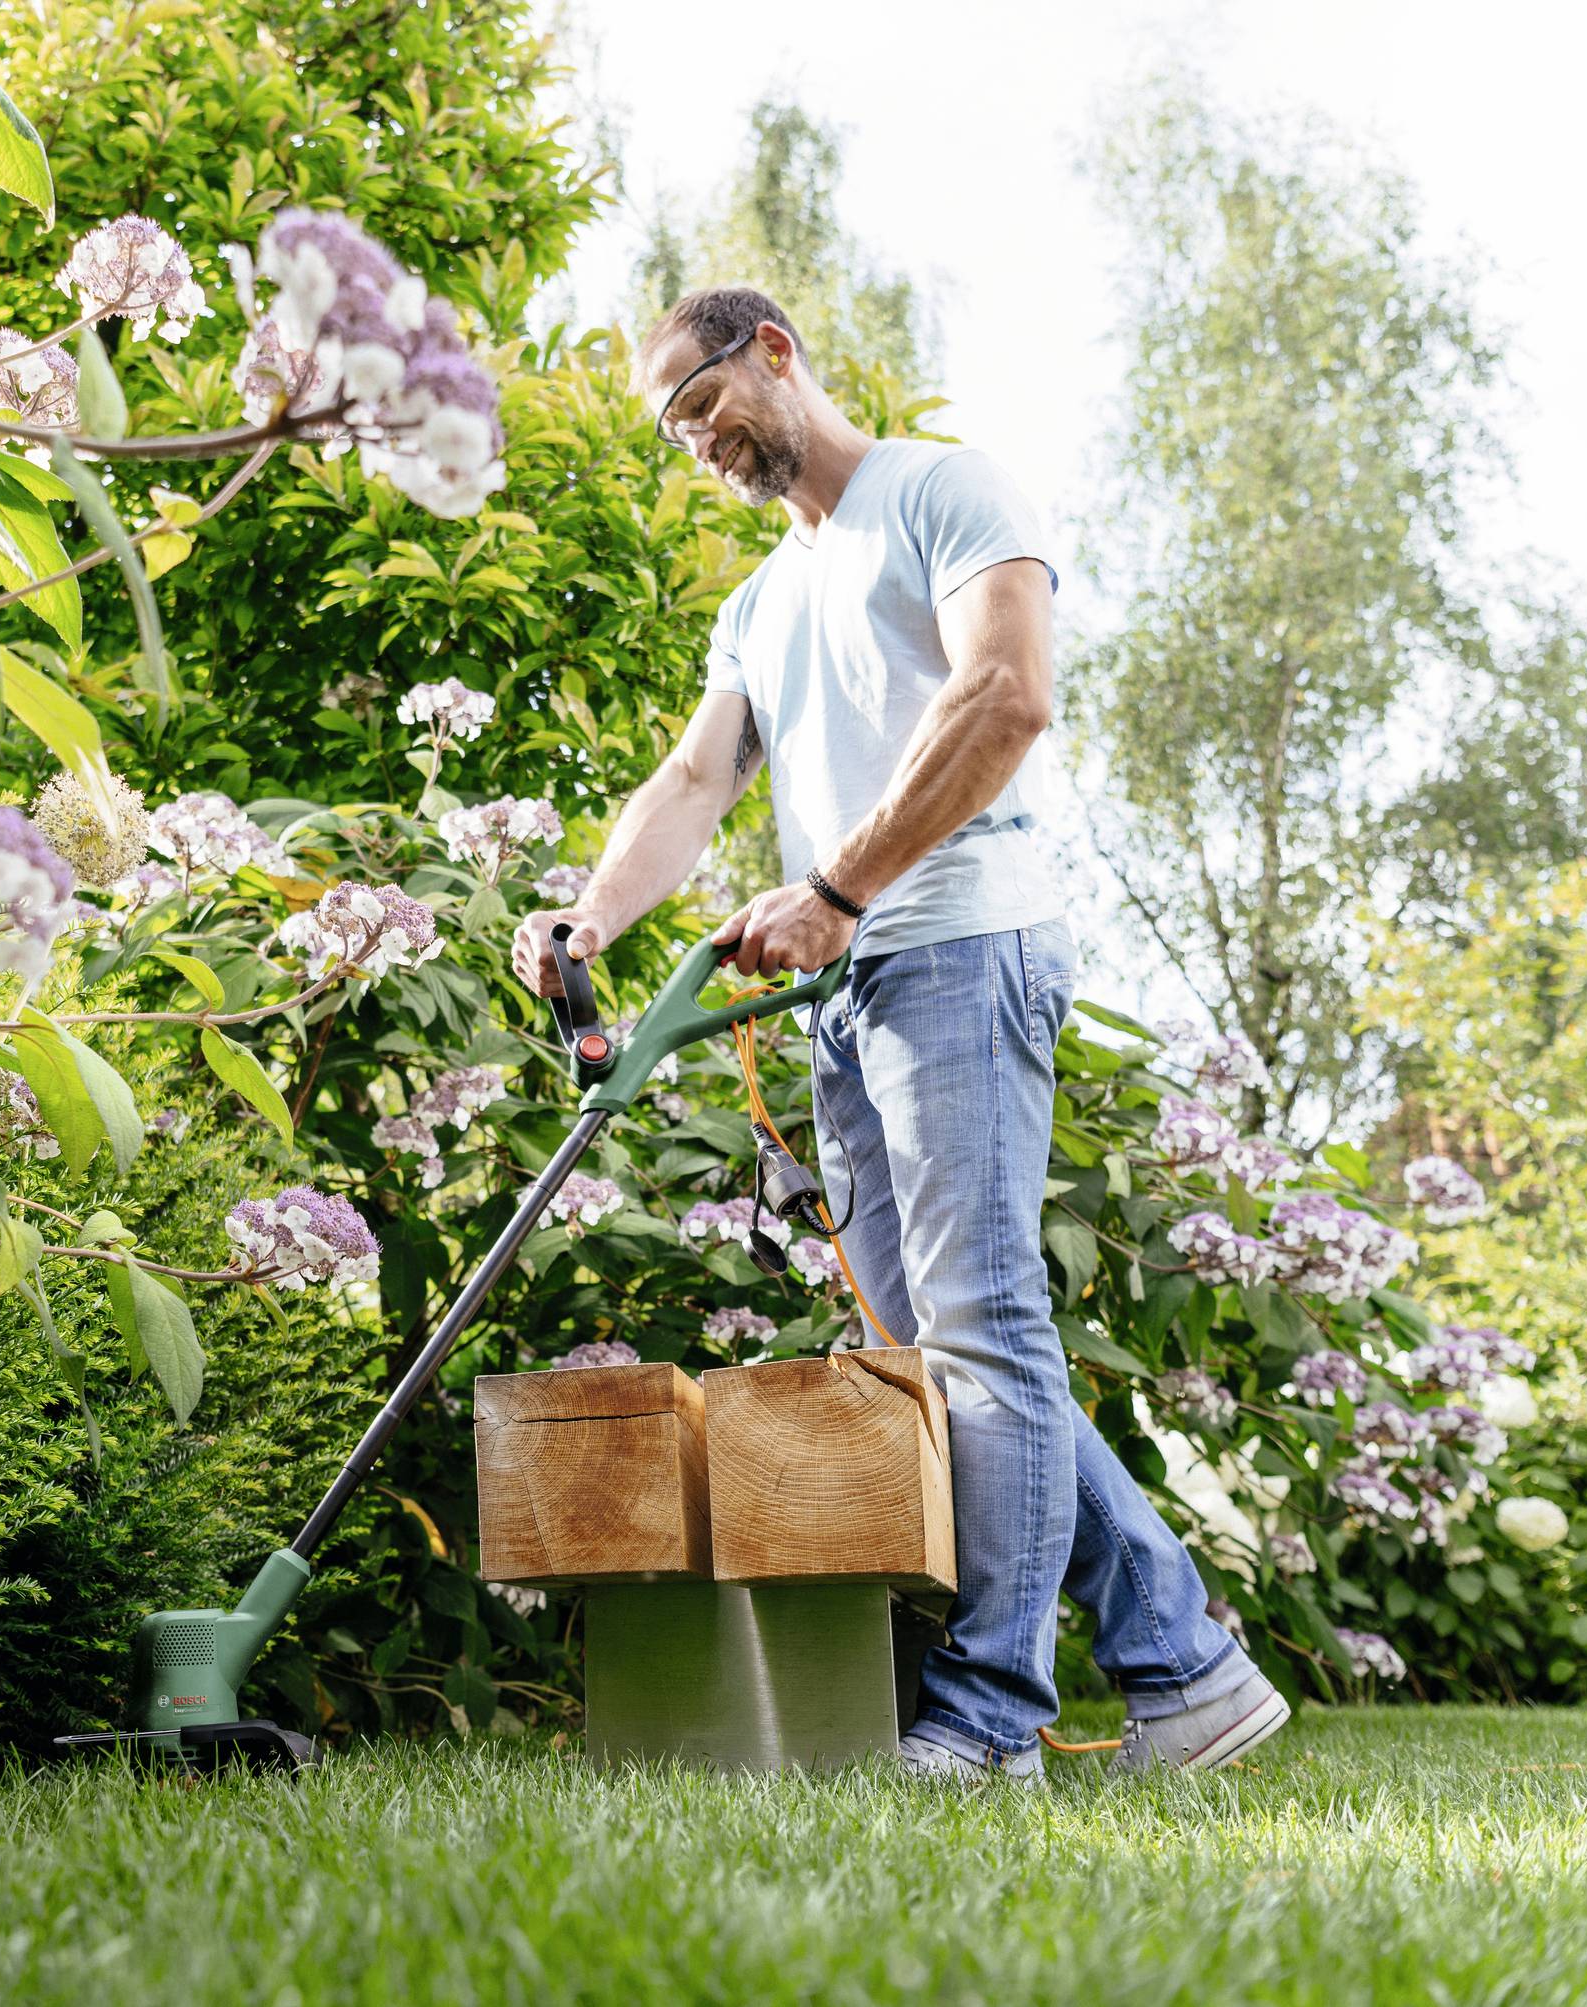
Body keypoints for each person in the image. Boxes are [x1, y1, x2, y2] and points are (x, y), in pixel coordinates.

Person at [515, 287, 1288, 1781]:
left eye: (702, 403)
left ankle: (994, 1717)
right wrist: (589, 923)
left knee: (985, 1333)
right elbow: (692, 781)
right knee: (944, 1349)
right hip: (845, 985)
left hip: (958, 944)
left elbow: (1007, 696)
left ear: (776, 353)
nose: (697, 443)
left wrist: (836, 886)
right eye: (673, 428)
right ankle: (1186, 1667)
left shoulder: (946, 489)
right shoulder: (764, 599)